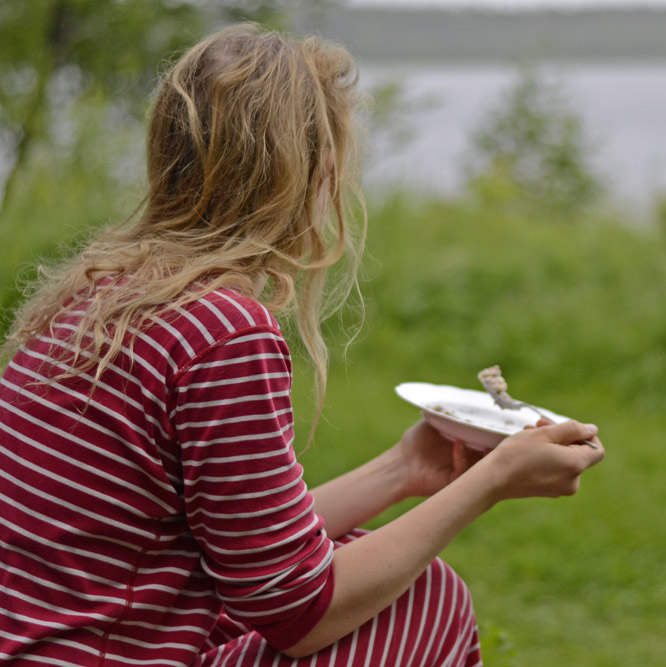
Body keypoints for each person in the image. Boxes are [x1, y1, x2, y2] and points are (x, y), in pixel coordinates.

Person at [0, 22, 604, 666]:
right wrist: (490, 481)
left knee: (357, 557)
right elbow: (298, 616)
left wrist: (402, 469)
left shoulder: (99, 292)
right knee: (428, 599)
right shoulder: (220, 331)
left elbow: (246, 551)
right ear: (311, 171)